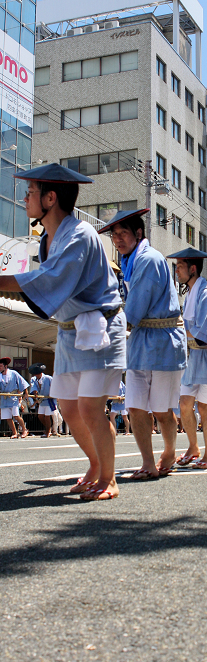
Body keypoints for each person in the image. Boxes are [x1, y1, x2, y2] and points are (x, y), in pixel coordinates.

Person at [2, 164, 126, 500]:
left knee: (88, 406)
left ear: (50, 197)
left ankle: (109, 479)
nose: (25, 197)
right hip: (71, 330)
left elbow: (47, 280)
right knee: (69, 408)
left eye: (31, 191)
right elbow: (44, 282)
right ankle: (95, 463)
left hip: (101, 327)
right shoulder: (48, 239)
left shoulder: (80, 235)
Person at [100, 209, 186, 480]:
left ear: (139, 234)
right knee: (135, 406)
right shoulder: (130, 261)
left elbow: (134, 312)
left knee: (162, 410)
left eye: (123, 233)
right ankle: (148, 462)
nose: (117, 240)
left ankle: (170, 451)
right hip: (141, 340)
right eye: (114, 235)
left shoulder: (148, 260)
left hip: (162, 340)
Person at [167, 246, 207, 470]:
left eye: (180, 267)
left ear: (193, 269)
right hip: (193, 356)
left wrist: (177, 328)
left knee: (205, 409)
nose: (177, 271)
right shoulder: (192, 292)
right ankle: (194, 447)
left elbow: (202, 332)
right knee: (184, 405)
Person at [0, 357, 29, 439]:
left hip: (13, 398)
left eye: (1, 366)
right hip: (4, 399)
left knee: (16, 415)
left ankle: (24, 430)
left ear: (5, 366)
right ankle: (15, 433)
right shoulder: (0, 376)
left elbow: (22, 382)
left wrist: (25, 392)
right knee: (8, 418)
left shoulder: (14, 373)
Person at [28, 362, 57, 438]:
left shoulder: (48, 378)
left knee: (47, 416)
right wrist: (35, 392)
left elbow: (55, 386)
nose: (36, 375)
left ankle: (47, 432)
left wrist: (53, 394)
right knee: (40, 416)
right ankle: (48, 428)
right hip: (42, 400)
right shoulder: (33, 379)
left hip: (49, 399)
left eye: (37, 373)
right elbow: (33, 387)